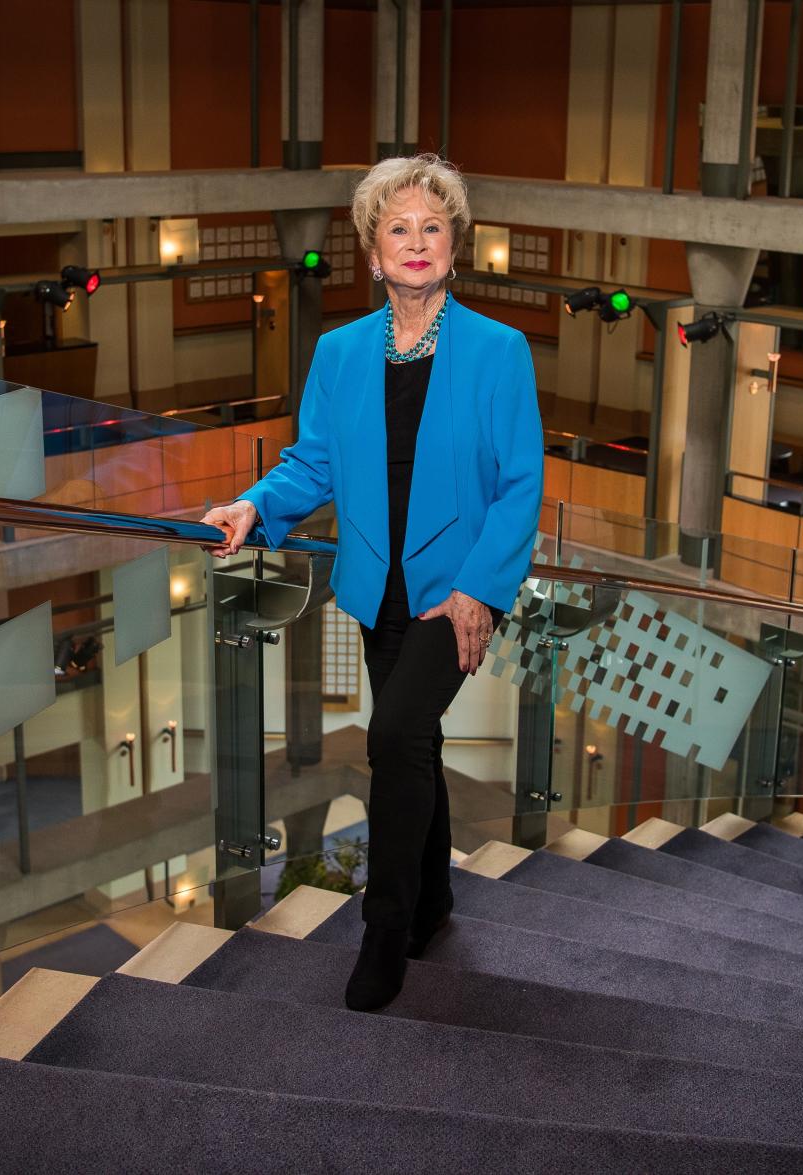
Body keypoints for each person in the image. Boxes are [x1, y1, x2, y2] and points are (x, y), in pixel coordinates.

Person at [201, 154, 543, 1012]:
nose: (417, 242)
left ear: (454, 245)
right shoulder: (340, 351)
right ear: (373, 249)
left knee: (391, 733)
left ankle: (385, 926)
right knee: (413, 742)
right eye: (399, 228)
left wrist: (479, 588)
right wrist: (254, 506)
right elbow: (311, 461)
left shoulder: (500, 351)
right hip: (375, 584)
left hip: (454, 591)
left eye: (433, 227)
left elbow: (519, 483)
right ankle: (433, 902)